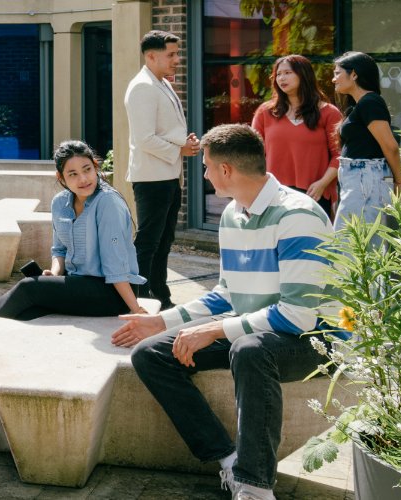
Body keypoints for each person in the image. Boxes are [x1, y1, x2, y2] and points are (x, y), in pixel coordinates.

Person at [112, 124, 343, 500]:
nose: (204, 175)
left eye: (206, 167)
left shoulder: (297, 216)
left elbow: (299, 315)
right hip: (259, 331)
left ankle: (254, 487)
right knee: (152, 354)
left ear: (226, 171)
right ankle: (229, 459)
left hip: (317, 340)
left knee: (248, 349)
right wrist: (161, 321)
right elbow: (225, 294)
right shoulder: (233, 215)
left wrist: (215, 331)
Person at [0, 141, 147, 320]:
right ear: (61, 177)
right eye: (73, 174)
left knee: (27, 288)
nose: (83, 179)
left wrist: (135, 308)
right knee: (26, 313)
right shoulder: (59, 202)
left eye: (87, 169)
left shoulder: (107, 202)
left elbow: (115, 264)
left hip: (112, 291)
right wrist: (54, 274)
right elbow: (59, 249)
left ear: (95, 167)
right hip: (77, 283)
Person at [125, 30, 199, 311]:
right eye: (171, 54)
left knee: (164, 239)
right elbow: (144, 138)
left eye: (177, 54)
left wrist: (184, 141)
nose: (177, 60)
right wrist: (180, 149)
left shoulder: (160, 82)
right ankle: (140, 297)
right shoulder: (142, 86)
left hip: (167, 174)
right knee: (149, 241)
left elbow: (163, 130)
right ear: (151, 55)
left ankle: (159, 293)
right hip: (151, 177)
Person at [330, 51, 401, 231]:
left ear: (354, 74)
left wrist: (399, 181)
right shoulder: (359, 105)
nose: (333, 79)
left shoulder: (370, 102)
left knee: (351, 241)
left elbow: (390, 146)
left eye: (337, 73)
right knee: (356, 241)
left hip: (364, 177)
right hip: (361, 178)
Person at [250, 55, 344, 219]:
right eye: (278, 74)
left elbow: (339, 155)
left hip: (314, 193)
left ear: (303, 75)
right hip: (274, 193)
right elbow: (252, 154)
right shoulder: (265, 112)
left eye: (288, 72)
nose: (282, 78)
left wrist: (322, 184)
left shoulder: (329, 113)